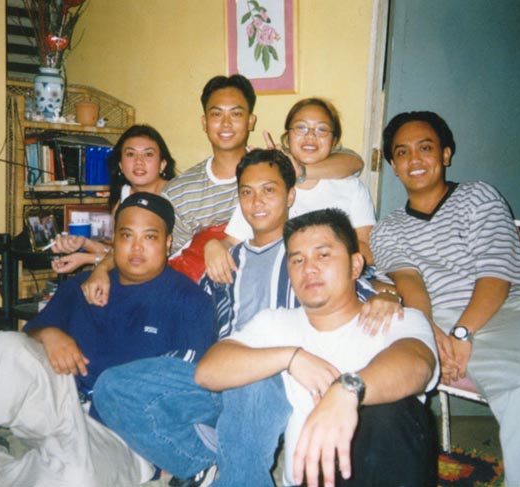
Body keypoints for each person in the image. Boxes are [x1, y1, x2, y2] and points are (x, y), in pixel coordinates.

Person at [95, 152, 405, 487]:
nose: (256, 202)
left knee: (253, 381)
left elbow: (363, 283)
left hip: (281, 377)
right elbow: (203, 331)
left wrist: (388, 296)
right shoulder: (224, 261)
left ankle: (238, 474)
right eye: (246, 192)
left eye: (268, 190)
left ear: (289, 196)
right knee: (112, 387)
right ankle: (203, 462)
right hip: (224, 372)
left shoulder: (306, 256)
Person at [0, 193, 216, 487]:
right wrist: (48, 334)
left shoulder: (190, 303)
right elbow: (29, 337)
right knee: (3, 346)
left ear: (167, 243)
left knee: (72, 479)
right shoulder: (84, 285)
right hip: (62, 394)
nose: (137, 247)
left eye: (150, 237)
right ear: (114, 241)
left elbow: (192, 390)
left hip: (123, 435)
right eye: (127, 235)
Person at [370, 111, 520, 487]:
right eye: (402, 152)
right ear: (394, 166)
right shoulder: (387, 229)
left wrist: (462, 334)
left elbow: (496, 275)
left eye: (425, 148)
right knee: (378, 380)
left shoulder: (478, 196)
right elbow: (410, 283)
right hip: (434, 317)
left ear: (446, 154)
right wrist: (429, 334)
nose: (414, 159)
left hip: (510, 311)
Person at [195, 208, 438, 487]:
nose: (308, 268)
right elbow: (208, 371)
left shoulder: (396, 318)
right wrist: (291, 357)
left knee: (393, 410)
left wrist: (347, 390)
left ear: (355, 265)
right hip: (309, 479)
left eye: (323, 255)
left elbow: (418, 364)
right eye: (297, 260)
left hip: (378, 467)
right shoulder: (276, 323)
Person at [81, 74, 364, 301]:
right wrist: (102, 268)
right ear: (204, 122)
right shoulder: (181, 191)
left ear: (250, 121)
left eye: (236, 114)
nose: (226, 123)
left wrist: (298, 171)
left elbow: (352, 161)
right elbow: (150, 249)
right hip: (210, 290)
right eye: (217, 114)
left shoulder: (271, 168)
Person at [207, 98, 377, 283]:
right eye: (301, 128)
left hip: (335, 281)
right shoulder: (268, 186)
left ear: (334, 140)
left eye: (321, 129)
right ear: (287, 137)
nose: (310, 136)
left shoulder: (351, 187)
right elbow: (232, 241)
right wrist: (213, 246)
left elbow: (369, 253)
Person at [50, 124, 177, 274]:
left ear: (162, 164)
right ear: (121, 165)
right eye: (130, 154)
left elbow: (155, 259)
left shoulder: (175, 196)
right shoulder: (124, 196)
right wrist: (83, 243)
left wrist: (88, 259)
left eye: (148, 154)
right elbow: (118, 252)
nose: (139, 161)